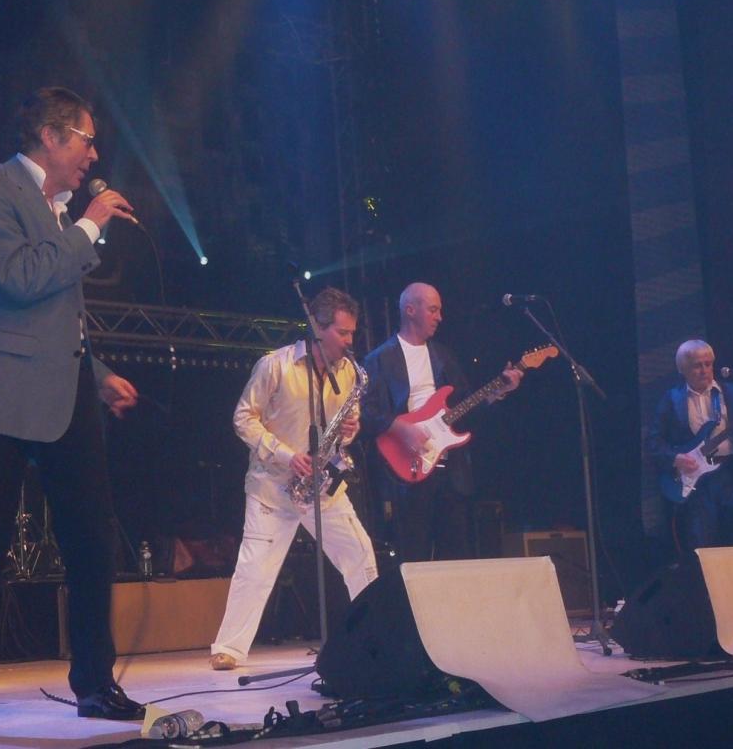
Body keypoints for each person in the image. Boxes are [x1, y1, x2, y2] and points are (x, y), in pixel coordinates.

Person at [0, 86, 142, 744]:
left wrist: (98, 375)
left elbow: (58, 319)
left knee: (92, 536)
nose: (93, 156)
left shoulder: (61, 210)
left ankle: (94, 682)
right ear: (51, 136)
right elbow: (16, 279)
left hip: (66, 391)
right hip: (4, 389)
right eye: (87, 140)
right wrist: (89, 226)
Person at [208, 287, 378, 671]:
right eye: (342, 333)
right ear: (317, 328)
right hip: (273, 485)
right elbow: (243, 418)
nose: (350, 341)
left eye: (352, 333)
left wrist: (350, 430)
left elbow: (347, 427)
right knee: (255, 568)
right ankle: (229, 648)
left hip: (322, 487)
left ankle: (372, 633)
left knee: (360, 553)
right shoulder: (275, 366)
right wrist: (287, 455)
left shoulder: (349, 372)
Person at [359, 282, 522, 562]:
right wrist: (400, 428)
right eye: (433, 310)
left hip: (450, 471)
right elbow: (363, 411)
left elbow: (465, 406)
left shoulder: (444, 356)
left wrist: (497, 392)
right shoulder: (380, 359)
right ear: (410, 310)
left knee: (455, 557)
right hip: (407, 473)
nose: (439, 317)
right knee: (414, 559)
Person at [646, 339, 733, 551]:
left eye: (708, 364)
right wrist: (675, 458)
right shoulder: (672, 399)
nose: (704, 370)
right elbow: (653, 441)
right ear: (682, 369)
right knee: (703, 543)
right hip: (698, 482)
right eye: (697, 365)